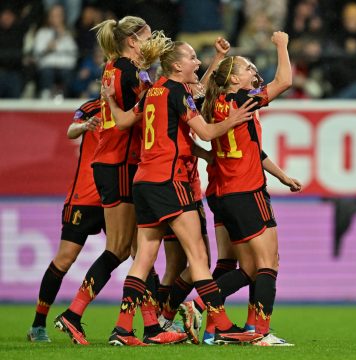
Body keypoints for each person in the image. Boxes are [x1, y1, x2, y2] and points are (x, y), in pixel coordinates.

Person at [102, 32, 262, 346]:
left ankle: (125, 329)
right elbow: (205, 131)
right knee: (198, 255)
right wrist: (234, 119)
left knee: (145, 255)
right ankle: (224, 325)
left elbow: (121, 121)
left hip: (143, 182)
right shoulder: (177, 92)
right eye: (192, 58)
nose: (197, 62)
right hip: (168, 181)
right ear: (177, 67)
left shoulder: (151, 92)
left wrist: (108, 98)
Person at [54, 16, 183, 346]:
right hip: (121, 164)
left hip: (112, 162)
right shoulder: (129, 70)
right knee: (121, 248)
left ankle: (150, 326)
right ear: (131, 40)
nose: (151, 41)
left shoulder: (116, 67)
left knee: (139, 249)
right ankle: (74, 314)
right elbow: (132, 117)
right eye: (146, 36)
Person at [187, 30, 294, 346]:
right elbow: (284, 81)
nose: (252, 71)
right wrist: (281, 45)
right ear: (233, 79)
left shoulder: (211, 103)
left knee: (246, 267)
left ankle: (198, 305)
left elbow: (250, 148)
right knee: (268, 263)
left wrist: (282, 176)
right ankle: (259, 332)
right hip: (247, 190)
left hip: (224, 192)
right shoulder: (242, 100)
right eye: (246, 68)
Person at [26, 98, 103, 343]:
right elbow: (71, 130)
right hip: (84, 196)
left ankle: (149, 324)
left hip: (118, 197)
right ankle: (38, 324)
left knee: (135, 254)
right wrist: (84, 126)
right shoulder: (93, 107)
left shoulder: (136, 108)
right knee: (65, 258)